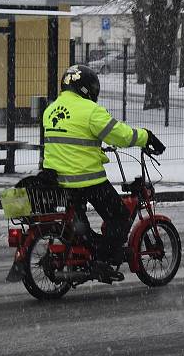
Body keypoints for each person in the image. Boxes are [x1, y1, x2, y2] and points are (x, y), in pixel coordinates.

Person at [41, 64, 166, 281]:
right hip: (86, 180)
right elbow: (120, 135)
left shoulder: (51, 109)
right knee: (119, 215)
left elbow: (71, 139)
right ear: (87, 88)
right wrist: (146, 136)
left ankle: (87, 257)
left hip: (59, 180)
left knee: (80, 228)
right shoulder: (90, 110)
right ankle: (102, 260)